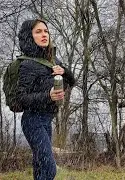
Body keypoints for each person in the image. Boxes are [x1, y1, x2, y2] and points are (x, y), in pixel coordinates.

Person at [16, 19, 75, 180]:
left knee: (40, 168)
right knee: (49, 169)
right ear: (29, 36)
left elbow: (72, 81)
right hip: (33, 120)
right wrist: (47, 96)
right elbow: (21, 98)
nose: (44, 35)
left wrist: (64, 71)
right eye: (38, 32)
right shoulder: (27, 65)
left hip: (47, 120)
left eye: (46, 31)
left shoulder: (53, 61)